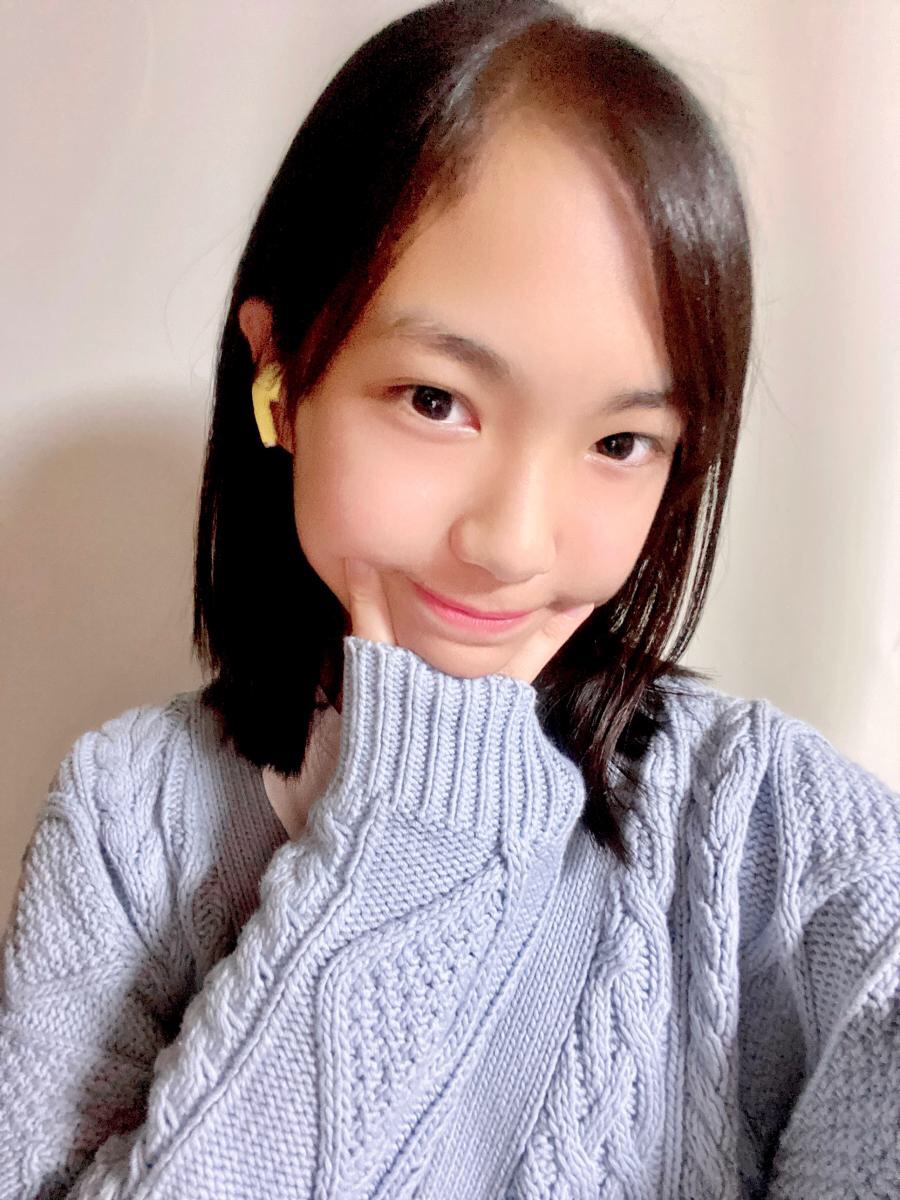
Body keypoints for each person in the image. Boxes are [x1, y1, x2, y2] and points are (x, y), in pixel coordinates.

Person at [1, 0, 897, 1196]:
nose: (511, 543)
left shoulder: (766, 826)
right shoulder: (127, 822)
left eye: (620, 442)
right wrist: (419, 822)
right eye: (437, 402)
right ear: (281, 375)